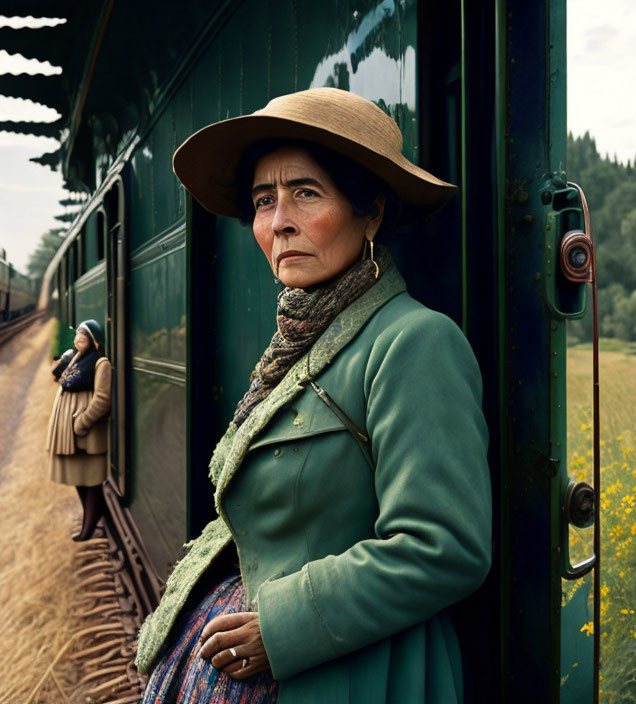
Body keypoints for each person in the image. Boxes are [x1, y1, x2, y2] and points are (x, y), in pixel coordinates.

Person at [135, 87, 492, 704]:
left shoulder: (414, 342)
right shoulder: (303, 339)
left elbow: (445, 547)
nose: (280, 223)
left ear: (370, 213)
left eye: (306, 193)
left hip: (356, 676)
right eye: (263, 201)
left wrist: (280, 628)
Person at [47, 319, 111, 542]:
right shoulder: (76, 359)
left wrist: (81, 422)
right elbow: (58, 376)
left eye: (82, 338)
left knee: (91, 480)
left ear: (94, 342)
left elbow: (102, 400)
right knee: (79, 477)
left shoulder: (100, 363)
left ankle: (90, 527)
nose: (77, 341)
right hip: (73, 434)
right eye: (76, 337)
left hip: (87, 433)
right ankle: (92, 518)